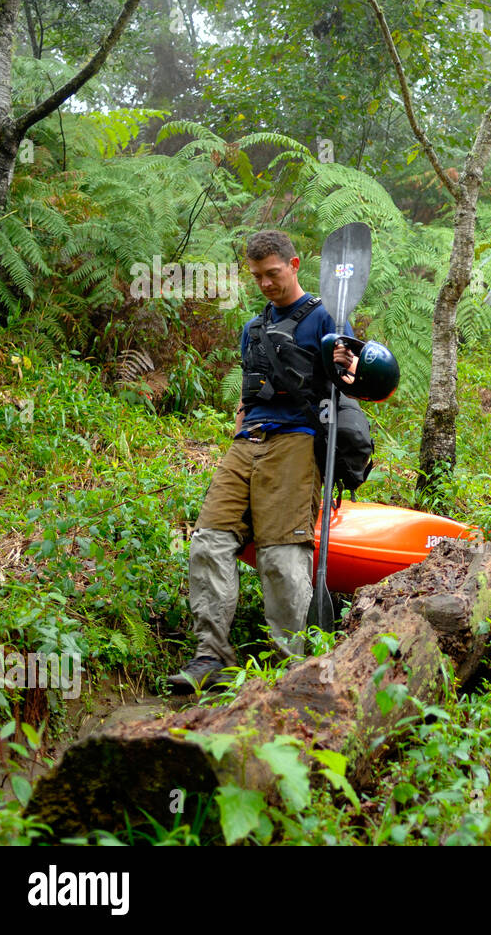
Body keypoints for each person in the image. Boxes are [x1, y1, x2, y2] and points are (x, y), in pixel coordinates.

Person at [167, 230, 355, 693]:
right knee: (208, 542)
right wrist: (238, 429)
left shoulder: (325, 317)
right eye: (257, 276)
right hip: (247, 441)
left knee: (280, 555)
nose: (266, 283)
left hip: (297, 440)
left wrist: (344, 361)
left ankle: (291, 669)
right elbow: (249, 391)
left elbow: (352, 379)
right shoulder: (252, 328)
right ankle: (211, 657)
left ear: (293, 264)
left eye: (273, 273)